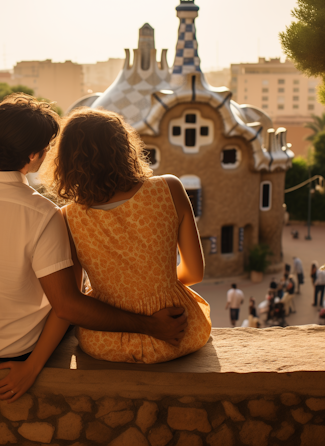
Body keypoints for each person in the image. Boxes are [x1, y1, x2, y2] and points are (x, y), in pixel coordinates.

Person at [0, 95, 188, 400]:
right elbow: (67, 306)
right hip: (24, 348)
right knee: (70, 284)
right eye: (46, 150)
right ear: (34, 156)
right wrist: (149, 324)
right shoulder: (43, 215)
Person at [42, 108, 210, 363]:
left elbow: (73, 299)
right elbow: (195, 273)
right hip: (178, 330)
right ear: (125, 148)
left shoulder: (68, 217)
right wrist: (156, 284)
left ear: (66, 161)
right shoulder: (169, 188)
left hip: (107, 341)